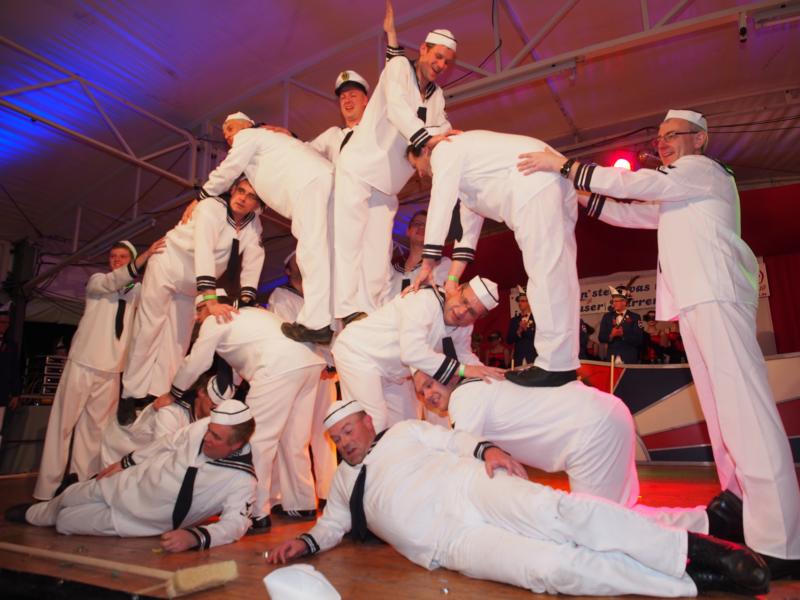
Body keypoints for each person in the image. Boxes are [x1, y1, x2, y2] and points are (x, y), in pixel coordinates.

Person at [517, 108, 800, 577]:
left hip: (717, 295)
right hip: (698, 300)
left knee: (746, 414)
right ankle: (740, 508)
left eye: (673, 135)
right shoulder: (682, 192)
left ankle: (783, 541)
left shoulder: (702, 170)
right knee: (723, 415)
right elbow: (633, 214)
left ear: (700, 139)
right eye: (660, 137)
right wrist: (581, 197)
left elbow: (638, 185)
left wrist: (564, 166)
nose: (663, 143)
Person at [266, 400, 769, 596]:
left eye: (349, 431)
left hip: (469, 486)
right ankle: (687, 582)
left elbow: (454, 440)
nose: (345, 442)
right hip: (448, 544)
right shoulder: (343, 483)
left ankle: (695, 549)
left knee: (562, 514)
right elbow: (331, 526)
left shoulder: (402, 432)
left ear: (367, 422)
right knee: (550, 569)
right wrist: (303, 544)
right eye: (337, 438)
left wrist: (487, 450)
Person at [411, 370, 742, 533]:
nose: (428, 395)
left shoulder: (463, 398)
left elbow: (462, 455)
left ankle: (711, 522)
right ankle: (713, 519)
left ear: (448, 376)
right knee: (619, 514)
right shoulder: (481, 384)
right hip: (604, 415)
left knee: (598, 528)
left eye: (430, 384)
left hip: (592, 433)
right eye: (421, 393)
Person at [407, 130, 580, 387]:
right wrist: (452, 279)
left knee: (545, 273)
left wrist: (429, 262)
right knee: (560, 274)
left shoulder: (444, 149)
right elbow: (468, 232)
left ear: (425, 149)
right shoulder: (468, 167)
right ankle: (564, 362)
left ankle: (555, 365)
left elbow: (440, 203)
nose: (420, 174)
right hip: (550, 182)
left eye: (415, 166)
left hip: (532, 185)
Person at [155, 292, 326, 531]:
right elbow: (234, 375)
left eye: (198, 311)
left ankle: (255, 512)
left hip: (277, 366)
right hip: (309, 361)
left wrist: (173, 394)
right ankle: (302, 503)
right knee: (294, 438)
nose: (196, 318)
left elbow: (196, 363)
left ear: (210, 307)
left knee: (256, 441)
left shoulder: (216, 320)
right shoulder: (251, 315)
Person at [9, 400, 257, 553]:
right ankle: (34, 514)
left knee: (66, 521)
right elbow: (167, 443)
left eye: (216, 437)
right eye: (209, 430)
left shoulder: (242, 480)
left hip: (138, 519)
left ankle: (48, 516)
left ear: (236, 445)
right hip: (131, 482)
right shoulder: (203, 427)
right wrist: (125, 462)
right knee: (70, 496)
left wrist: (194, 537)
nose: (207, 437)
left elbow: (235, 525)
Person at [333, 23, 458, 323]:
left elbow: (441, 126)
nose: (441, 65)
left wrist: (446, 141)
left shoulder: (437, 96)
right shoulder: (399, 67)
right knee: (349, 242)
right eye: (438, 56)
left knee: (378, 255)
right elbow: (397, 109)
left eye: (447, 62)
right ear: (424, 50)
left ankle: (369, 314)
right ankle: (346, 308)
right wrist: (426, 141)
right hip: (358, 169)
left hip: (388, 186)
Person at [120, 177, 264, 419]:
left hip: (191, 284)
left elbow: (254, 259)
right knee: (149, 328)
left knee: (178, 341)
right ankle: (129, 394)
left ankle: (158, 394)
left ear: (258, 204)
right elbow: (204, 250)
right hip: (168, 264)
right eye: (240, 191)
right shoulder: (211, 208)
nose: (242, 198)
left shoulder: (254, 224)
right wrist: (211, 300)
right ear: (232, 190)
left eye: (251, 196)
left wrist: (247, 299)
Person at [33, 239, 164, 501]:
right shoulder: (98, 281)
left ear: (130, 260)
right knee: (62, 425)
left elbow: (156, 299)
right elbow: (115, 281)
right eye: (113, 256)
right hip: (82, 362)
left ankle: (82, 484)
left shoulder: (136, 291)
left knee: (95, 430)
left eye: (122, 256)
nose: (116, 260)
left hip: (111, 369)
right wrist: (147, 254)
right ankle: (47, 487)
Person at [199, 112, 333, 344]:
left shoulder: (249, 136)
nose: (227, 135)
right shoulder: (266, 148)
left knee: (310, 253)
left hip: (308, 186)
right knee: (327, 253)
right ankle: (336, 315)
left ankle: (317, 323)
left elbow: (227, 170)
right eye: (225, 132)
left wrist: (202, 196)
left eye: (231, 128)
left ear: (247, 125)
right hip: (324, 182)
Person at [331, 276, 504, 432]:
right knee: (373, 423)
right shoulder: (425, 300)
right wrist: (464, 370)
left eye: (471, 312)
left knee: (407, 428)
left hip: (391, 373)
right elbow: (412, 352)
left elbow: (464, 355)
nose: (461, 311)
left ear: (479, 318)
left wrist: (495, 378)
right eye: (463, 301)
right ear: (457, 289)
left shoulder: (465, 327)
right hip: (358, 353)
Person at [268, 250, 337, 512]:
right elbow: (289, 335)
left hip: (325, 373)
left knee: (326, 434)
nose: (299, 262)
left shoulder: (322, 297)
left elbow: (334, 334)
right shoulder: (280, 296)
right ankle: (291, 497)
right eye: (293, 260)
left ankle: (329, 492)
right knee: (295, 435)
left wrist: (331, 363)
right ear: (287, 270)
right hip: (299, 373)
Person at [99, 374, 221, 468]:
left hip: (141, 464)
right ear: (201, 392)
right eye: (214, 401)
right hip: (118, 453)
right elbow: (163, 454)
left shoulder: (213, 419)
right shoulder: (170, 412)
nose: (217, 407)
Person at [389, 210, 452, 297]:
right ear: (408, 231)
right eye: (417, 224)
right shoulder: (392, 265)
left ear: (432, 235)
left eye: (427, 226)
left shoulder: (442, 263)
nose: (422, 227)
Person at [598, 284, 644, 364]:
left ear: (624, 302)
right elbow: (601, 337)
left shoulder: (635, 317)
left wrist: (623, 335)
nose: (613, 304)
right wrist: (611, 335)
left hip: (629, 357)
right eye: (613, 301)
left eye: (616, 301)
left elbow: (639, 340)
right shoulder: (607, 317)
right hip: (612, 357)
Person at [506, 287, 536, 366]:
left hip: (532, 357)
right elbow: (509, 340)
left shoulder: (536, 318)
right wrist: (518, 332)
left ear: (529, 302)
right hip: (518, 358)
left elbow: (538, 337)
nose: (519, 303)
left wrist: (525, 329)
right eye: (519, 301)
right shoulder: (514, 320)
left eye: (522, 301)